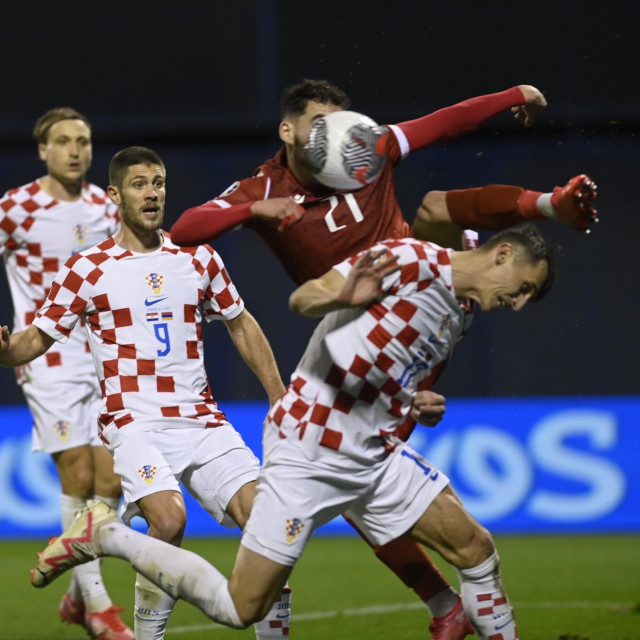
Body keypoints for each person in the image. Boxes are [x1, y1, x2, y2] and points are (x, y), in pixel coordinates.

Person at [168, 78, 597, 638]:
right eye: (321, 125)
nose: (340, 137)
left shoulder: (365, 148)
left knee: (437, 209)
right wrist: (259, 208)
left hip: (418, 294)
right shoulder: (262, 187)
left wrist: (510, 95)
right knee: (354, 472)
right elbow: (184, 228)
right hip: (363, 334)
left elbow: (443, 120)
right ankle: (445, 606)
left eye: (344, 124)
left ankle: (548, 203)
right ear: (288, 130)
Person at [26, 224, 556, 640]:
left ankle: (452, 612)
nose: (520, 303)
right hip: (310, 448)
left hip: (371, 452)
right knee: (239, 605)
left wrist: (407, 397)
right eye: (524, 288)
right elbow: (306, 298)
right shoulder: (410, 259)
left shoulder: (458, 312)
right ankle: (108, 534)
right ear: (503, 256)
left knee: (476, 549)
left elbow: (381, 365)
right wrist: (342, 292)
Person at [0, 146, 289, 640]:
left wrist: (279, 396)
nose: (152, 192)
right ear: (114, 195)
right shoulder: (87, 267)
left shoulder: (198, 257)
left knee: (271, 528)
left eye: (158, 182)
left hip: (201, 419)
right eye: (139, 184)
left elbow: (241, 325)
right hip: (133, 422)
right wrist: (6, 351)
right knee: (169, 521)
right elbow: (35, 339)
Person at [0, 107, 133, 639]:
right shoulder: (15, 207)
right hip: (45, 356)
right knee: (77, 477)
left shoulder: (106, 206)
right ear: (42, 150)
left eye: (83, 140)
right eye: (63, 141)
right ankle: (101, 610)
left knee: (110, 484)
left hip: (102, 355)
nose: (75, 150)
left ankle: (78, 596)